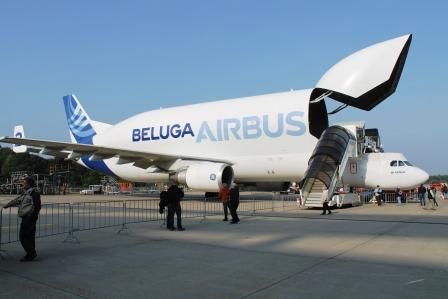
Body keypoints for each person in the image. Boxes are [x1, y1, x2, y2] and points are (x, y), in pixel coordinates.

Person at [3, 177, 41, 262]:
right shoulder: (26, 193)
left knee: (23, 237)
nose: (23, 184)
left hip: (29, 218)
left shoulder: (34, 193)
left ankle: (31, 253)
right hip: (26, 218)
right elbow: (17, 200)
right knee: (29, 237)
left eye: (24, 182)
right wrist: (7, 205)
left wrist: (31, 217)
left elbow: (37, 207)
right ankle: (30, 254)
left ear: (29, 184)